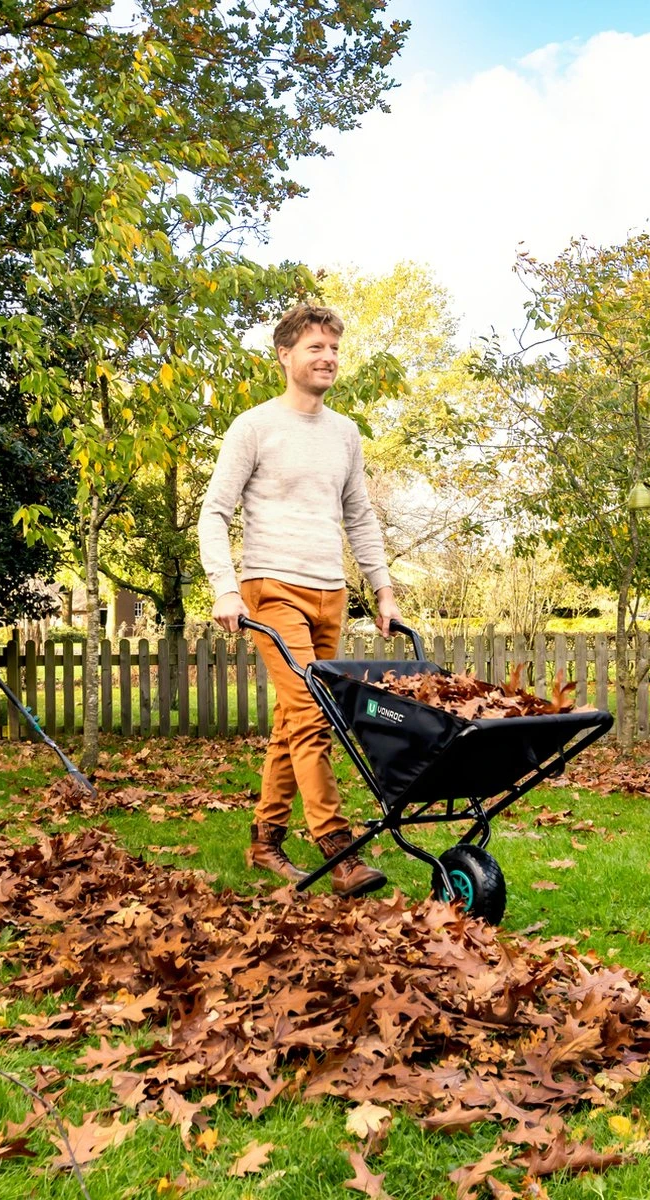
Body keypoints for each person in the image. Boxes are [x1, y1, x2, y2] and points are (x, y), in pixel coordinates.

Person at [198, 303, 402, 898]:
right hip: (271, 588)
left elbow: (360, 516)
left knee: (294, 719)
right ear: (286, 356)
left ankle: (264, 840)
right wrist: (225, 589)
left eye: (334, 348)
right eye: (315, 348)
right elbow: (215, 512)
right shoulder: (254, 426)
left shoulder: (344, 433)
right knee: (315, 714)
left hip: (330, 593)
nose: (328, 358)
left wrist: (382, 593)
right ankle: (338, 849)